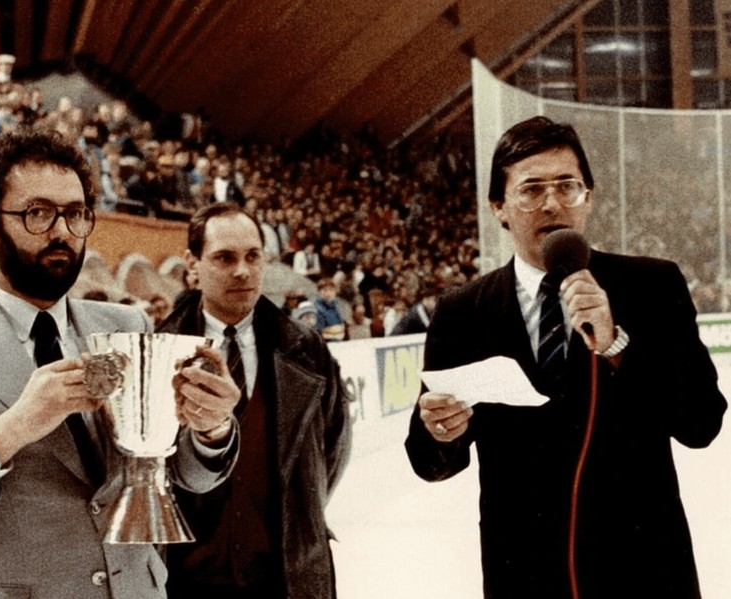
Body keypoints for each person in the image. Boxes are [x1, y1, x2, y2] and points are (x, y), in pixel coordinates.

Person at [0, 130, 241, 598]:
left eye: (76, 214)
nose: (63, 231)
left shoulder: (127, 322)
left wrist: (212, 429)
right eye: (38, 213)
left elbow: (183, 475)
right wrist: (12, 428)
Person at [404, 116, 727, 598]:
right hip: (525, 572)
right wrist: (439, 430)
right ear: (499, 207)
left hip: (644, 569)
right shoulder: (462, 313)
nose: (552, 202)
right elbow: (431, 462)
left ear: (588, 198)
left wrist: (616, 343)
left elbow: (702, 423)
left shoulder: (652, 287)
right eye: (531, 190)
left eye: (567, 186)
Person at [157, 202, 352, 598]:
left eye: (252, 256)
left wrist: (302, 519)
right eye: (224, 258)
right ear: (192, 265)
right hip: (187, 581)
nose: (242, 271)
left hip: (285, 577)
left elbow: (333, 448)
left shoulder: (308, 349)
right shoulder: (159, 349)